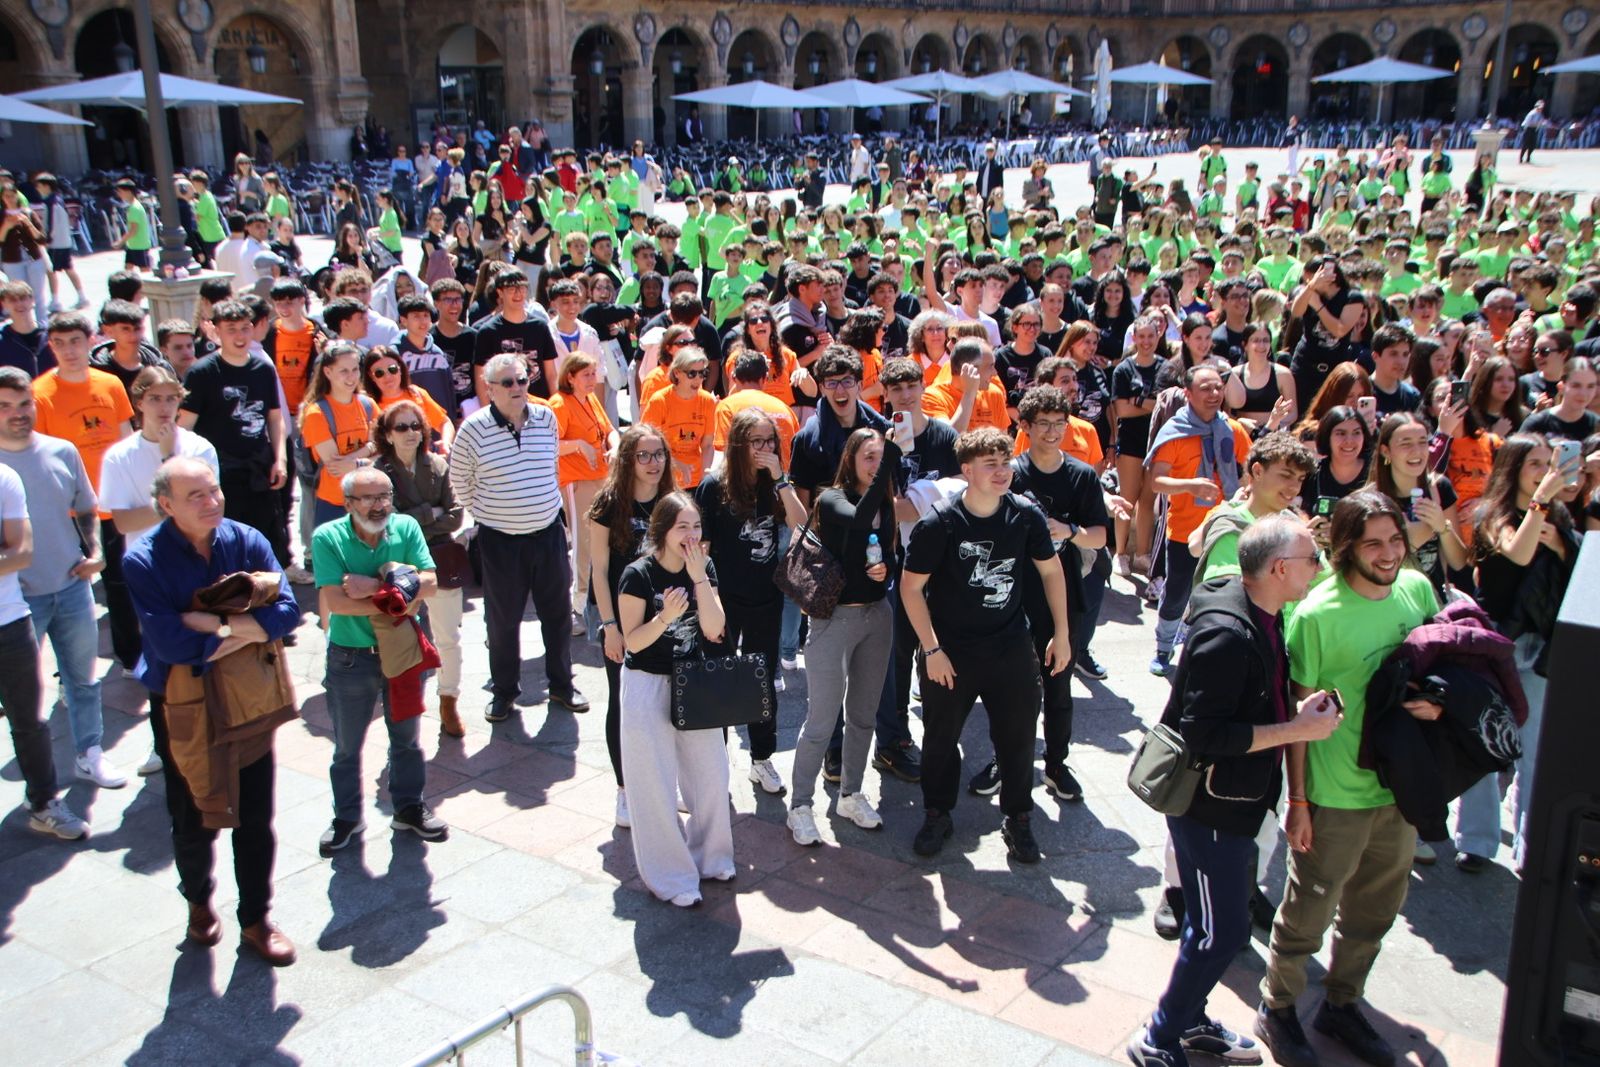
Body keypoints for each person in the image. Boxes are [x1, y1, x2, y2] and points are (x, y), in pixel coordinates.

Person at [1129, 516, 1342, 1067]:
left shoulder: (1263, 612)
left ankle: (1190, 1019)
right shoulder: (1228, 634)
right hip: (1210, 810)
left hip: (1238, 806)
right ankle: (1159, 1034)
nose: (1318, 568)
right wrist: (1296, 730)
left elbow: (1242, 704)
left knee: (1219, 928)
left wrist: (1291, 717)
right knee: (1218, 934)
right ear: (1277, 569)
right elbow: (1204, 733)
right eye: (1311, 559)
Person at [1254, 491, 1441, 1067]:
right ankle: (1278, 1008)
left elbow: (1441, 665)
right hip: (1334, 795)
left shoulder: (1418, 589)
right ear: (1343, 548)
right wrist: (1300, 801)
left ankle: (1343, 1002)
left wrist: (1437, 703)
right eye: (1373, 543)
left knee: (1374, 912)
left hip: (1398, 791)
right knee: (1308, 912)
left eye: (1395, 541)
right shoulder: (1314, 613)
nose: (1388, 554)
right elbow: (1298, 717)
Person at [122, 457, 300, 966]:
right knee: (192, 814)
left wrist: (216, 627)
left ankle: (256, 919)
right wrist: (245, 628)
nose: (211, 501)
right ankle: (198, 903)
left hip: (248, 697)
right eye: (195, 495)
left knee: (255, 816)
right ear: (166, 505)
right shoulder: (144, 560)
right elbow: (171, 643)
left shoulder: (246, 540)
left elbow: (286, 612)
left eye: (214, 490)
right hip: (182, 702)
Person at [902, 427, 1071, 863]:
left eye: (1005, 462)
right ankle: (937, 813)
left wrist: (1062, 634)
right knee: (940, 740)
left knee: (1017, 738)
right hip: (951, 653)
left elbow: (1052, 573)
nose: (1002, 472)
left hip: (1010, 647)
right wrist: (931, 649)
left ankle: (1018, 819)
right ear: (967, 470)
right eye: (990, 464)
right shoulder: (939, 522)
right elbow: (910, 588)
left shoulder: (1026, 515)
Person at [311, 466, 448, 854]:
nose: (379, 505)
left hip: (402, 652)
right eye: (369, 498)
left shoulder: (405, 527)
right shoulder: (327, 537)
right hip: (350, 658)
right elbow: (336, 601)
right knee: (346, 747)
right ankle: (348, 818)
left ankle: (409, 808)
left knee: (406, 741)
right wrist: (401, 590)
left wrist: (370, 587)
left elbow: (433, 583)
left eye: (385, 495)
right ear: (348, 503)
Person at [0, 366, 123, 789]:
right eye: (4, 406)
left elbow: (85, 507)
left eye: (23, 404)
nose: (17, 414)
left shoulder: (63, 450)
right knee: (21, 697)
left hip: (71, 586)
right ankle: (39, 780)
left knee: (83, 679)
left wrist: (94, 552)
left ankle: (90, 754)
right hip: (17, 602)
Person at [450, 352, 588, 721]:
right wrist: (489, 512)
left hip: (548, 535)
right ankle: (504, 692)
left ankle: (561, 686)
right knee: (502, 621)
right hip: (501, 541)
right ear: (489, 388)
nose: (517, 388)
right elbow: (460, 482)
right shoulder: (473, 429)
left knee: (557, 615)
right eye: (508, 382)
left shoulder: (545, 418)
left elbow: (550, 464)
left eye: (523, 380)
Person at [1467, 435, 1582, 873]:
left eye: (1547, 462)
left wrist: (1561, 544)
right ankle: (1476, 841)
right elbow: (1516, 552)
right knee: (1484, 739)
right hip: (1495, 640)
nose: (1543, 469)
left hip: (1538, 643)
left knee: (1533, 748)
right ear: (1513, 467)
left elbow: (1578, 572)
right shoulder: (1491, 513)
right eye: (1533, 462)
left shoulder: (1559, 516)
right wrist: (1538, 505)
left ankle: (1531, 846)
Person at [616, 491, 734, 906]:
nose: (691, 534)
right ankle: (670, 877)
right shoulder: (638, 574)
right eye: (682, 526)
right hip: (647, 684)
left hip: (693, 680)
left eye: (696, 526)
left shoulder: (704, 565)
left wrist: (699, 577)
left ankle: (712, 856)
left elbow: (715, 628)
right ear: (662, 531)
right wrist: (664, 617)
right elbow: (633, 641)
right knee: (654, 785)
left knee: (711, 775)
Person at [787, 426, 901, 845]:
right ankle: (800, 805)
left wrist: (885, 567)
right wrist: (890, 460)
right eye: (868, 457)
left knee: (863, 715)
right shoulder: (831, 498)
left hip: (877, 616)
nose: (876, 465)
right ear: (850, 459)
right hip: (833, 620)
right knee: (821, 720)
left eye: (880, 457)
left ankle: (850, 794)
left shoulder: (884, 502)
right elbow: (856, 521)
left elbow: (885, 550)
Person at [695, 407, 805, 798]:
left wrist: (779, 478)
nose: (764, 449)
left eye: (770, 441)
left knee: (762, 681)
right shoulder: (713, 487)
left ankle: (761, 758)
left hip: (765, 599)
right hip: (724, 601)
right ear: (739, 444)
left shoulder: (773, 484)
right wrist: (705, 601)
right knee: (721, 681)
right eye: (756, 441)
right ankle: (715, 761)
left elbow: (800, 522)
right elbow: (702, 549)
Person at [31, 312, 140, 673]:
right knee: (66, 592)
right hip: (69, 510)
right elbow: (40, 454)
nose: (69, 350)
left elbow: (127, 439)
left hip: (113, 502)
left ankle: (130, 656)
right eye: (59, 343)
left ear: (91, 341)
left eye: (75, 341)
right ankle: (68, 669)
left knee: (121, 584)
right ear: (51, 347)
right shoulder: (40, 393)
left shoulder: (110, 384)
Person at [0, 452, 88, 839]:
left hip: (9, 620)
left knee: (29, 721)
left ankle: (43, 802)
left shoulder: (4, 478)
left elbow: (21, 552)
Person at [1146, 366, 1254, 677]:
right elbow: (1157, 482)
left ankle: (1210, 648)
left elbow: (1251, 469)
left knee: (1225, 591)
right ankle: (1163, 648)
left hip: (1230, 529)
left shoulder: (1233, 430)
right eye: (1205, 389)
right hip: (1185, 530)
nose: (1214, 394)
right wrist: (1191, 486)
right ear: (1188, 394)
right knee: (1178, 593)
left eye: (1218, 388)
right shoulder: (1175, 432)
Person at [372, 400, 466, 739]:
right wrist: (431, 512)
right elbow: (387, 522)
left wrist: (415, 515)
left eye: (416, 426)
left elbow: (455, 515)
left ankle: (448, 700)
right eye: (402, 427)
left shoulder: (437, 465)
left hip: (441, 559)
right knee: (400, 636)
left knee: (448, 637)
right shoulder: (378, 472)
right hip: (399, 565)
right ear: (387, 434)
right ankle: (403, 703)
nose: (411, 433)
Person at [178, 300, 290, 567]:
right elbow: (184, 428)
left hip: (259, 469)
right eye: (231, 329)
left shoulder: (263, 369)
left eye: (244, 328)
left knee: (266, 541)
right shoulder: (201, 373)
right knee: (225, 545)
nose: (239, 336)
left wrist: (280, 458)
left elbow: (275, 418)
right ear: (216, 331)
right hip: (219, 473)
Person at [551, 351, 617, 629]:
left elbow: (609, 429)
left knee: (603, 542)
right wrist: (579, 444)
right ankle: (578, 607)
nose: (593, 379)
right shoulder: (560, 404)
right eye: (586, 375)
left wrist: (615, 444)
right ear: (570, 377)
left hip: (601, 477)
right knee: (582, 546)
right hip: (577, 482)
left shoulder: (590, 399)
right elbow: (550, 443)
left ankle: (597, 600)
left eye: (594, 373)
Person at [301, 343, 379, 525]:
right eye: (344, 371)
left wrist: (356, 463)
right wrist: (369, 448)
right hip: (334, 503)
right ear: (328, 372)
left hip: (370, 499)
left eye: (355, 369)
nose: (351, 377)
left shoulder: (368, 406)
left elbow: (385, 453)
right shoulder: (316, 413)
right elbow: (335, 466)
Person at [641, 348, 717, 489]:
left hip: (695, 479)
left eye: (702, 373)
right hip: (664, 479)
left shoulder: (707, 401)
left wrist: (705, 475)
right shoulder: (659, 401)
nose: (698, 379)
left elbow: (707, 445)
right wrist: (675, 464)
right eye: (692, 373)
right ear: (677, 373)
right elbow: (647, 445)